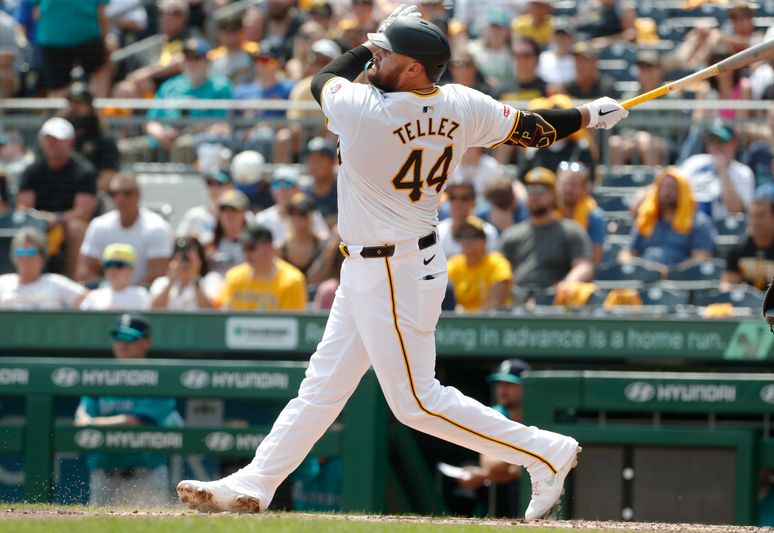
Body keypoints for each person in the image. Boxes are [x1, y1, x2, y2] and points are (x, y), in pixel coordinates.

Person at [177, 8, 628, 520]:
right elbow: (533, 129)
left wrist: (366, 49)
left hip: (394, 270)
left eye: (387, 53)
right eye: (377, 51)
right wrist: (589, 115)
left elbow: (323, 78)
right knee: (322, 388)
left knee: (416, 401)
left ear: (414, 68)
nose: (376, 57)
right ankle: (255, 483)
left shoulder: (366, 109)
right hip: (382, 265)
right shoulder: (460, 103)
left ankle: (544, 451)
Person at [74, 313, 184, 506]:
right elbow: (81, 418)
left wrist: (94, 423)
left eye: (130, 338)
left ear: (146, 342)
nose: (122, 344)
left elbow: (137, 420)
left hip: (145, 474)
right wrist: (92, 422)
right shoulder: (100, 377)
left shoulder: (159, 378)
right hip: (103, 474)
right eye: (118, 337)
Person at [16, 117, 98, 278]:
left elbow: (83, 212)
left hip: (66, 225)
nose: (52, 143)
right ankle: (25, 278)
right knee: (22, 231)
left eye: (57, 139)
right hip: (38, 224)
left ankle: (72, 281)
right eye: (48, 138)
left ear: (70, 142)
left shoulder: (84, 171)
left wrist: (56, 219)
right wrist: (41, 219)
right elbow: (23, 207)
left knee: (76, 229)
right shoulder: (32, 171)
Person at [500, 167, 594, 301]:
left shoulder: (571, 231)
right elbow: (499, 271)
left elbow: (584, 266)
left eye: (540, 190)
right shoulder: (511, 235)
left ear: (554, 195)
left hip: (555, 304)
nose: (534, 195)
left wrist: (566, 285)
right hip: (517, 301)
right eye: (530, 190)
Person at [455, 358, 532, 517]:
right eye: (500, 384)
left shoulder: (540, 412)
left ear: (527, 387)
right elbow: (490, 464)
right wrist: (528, 458)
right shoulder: (494, 414)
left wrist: (513, 464)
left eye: (510, 385)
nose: (502, 391)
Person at [77, 172, 174, 286]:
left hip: (145, 296)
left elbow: (158, 276)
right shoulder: (98, 225)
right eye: (114, 193)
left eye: (127, 193)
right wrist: (111, 291)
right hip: (106, 295)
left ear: (138, 195)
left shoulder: (157, 228)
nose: (120, 199)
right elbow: (85, 271)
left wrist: (127, 293)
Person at [618, 167, 717, 270]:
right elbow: (627, 253)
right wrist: (634, 267)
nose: (667, 192)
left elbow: (701, 258)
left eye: (672, 187)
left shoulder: (698, 222)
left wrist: (670, 272)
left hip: (678, 281)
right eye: (663, 187)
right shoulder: (647, 218)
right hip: (643, 277)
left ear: (684, 191)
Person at [216, 226, 307, 312]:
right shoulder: (234, 277)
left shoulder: (291, 281)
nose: (246, 253)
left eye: (251, 247)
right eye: (244, 247)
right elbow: (222, 314)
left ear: (268, 248)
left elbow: (290, 323)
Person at [680, 123, 754, 222]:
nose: (717, 146)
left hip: (723, 229)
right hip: (688, 223)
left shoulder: (743, 172)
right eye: (712, 141)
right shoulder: (693, 163)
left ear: (734, 144)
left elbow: (736, 210)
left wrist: (723, 171)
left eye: (722, 141)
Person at [0, 227, 86, 309]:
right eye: (20, 252)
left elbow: (88, 300)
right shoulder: (3, 283)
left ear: (42, 257)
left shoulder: (56, 283)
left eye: (31, 252)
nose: (25, 257)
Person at [721, 197, 774, 292]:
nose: (756, 222)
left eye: (761, 216)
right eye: (753, 216)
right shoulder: (739, 248)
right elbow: (727, 283)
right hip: (747, 304)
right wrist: (735, 289)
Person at [64, 81, 121, 194]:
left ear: (90, 107)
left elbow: (106, 180)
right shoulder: (61, 138)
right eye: (71, 103)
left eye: (79, 103)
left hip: (93, 197)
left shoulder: (104, 140)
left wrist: (82, 197)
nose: (74, 108)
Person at [447, 215, 512, 312]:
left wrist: (467, 315)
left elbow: (494, 304)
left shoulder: (497, 263)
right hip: (458, 324)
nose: (467, 240)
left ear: (484, 240)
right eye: (462, 236)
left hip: (491, 323)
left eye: (473, 235)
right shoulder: (454, 264)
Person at [556, 161, 605, 266]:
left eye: (573, 185)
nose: (568, 189)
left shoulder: (594, 216)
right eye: (564, 184)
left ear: (584, 188)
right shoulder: (548, 211)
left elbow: (595, 260)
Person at [150, 236, 220, 310]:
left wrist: (195, 277)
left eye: (190, 258)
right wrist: (171, 281)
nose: (185, 262)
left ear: (200, 259)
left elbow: (212, 311)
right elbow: (154, 310)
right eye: (181, 258)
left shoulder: (211, 280)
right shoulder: (161, 283)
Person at [80, 243, 150, 311]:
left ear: (131, 269)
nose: (113, 270)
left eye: (119, 265)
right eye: (109, 264)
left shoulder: (141, 295)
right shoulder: (94, 296)